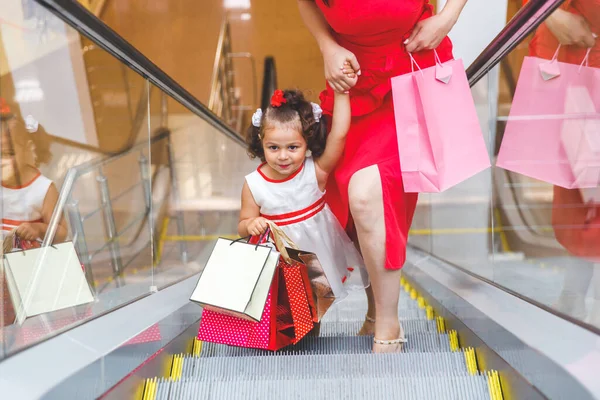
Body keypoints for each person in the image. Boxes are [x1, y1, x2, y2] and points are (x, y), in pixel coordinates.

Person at [296, 0, 467, 351]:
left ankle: (388, 323)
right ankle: (376, 313)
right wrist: (327, 46)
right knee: (353, 205)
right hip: (354, 82)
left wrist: (447, 18)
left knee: (367, 193)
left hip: (411, 73)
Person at [238, 88, 369, 307]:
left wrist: (342, 92)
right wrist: (251, 223)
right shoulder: (254, 184)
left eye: (293, 147)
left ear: (306, 143)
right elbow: (242, 225)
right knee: (286, 310)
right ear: (261, 142)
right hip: (280, 262)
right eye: (273, 147)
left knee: (315, 307)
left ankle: (311, 341)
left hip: (317, 258)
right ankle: (294, 342)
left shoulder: (315, 173)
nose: (282, 156)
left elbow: (339, 135)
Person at [524, 0, 600, 326]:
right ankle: (574, 295)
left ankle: (574, 297)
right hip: (578, 57)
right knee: (582, 187)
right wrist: (549, 13)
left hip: (581, 56)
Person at [0, 98, 68, 249]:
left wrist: (38, 229)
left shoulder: (42, 189)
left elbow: (62, 232)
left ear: (27, 149)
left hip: (27, 264)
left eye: (7, 154)